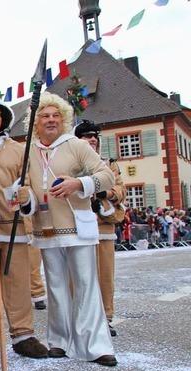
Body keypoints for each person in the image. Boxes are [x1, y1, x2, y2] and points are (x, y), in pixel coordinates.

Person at [24, 93, 116, 366]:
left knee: (87, 285)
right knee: (55, 287)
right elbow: (28, 189)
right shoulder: (27, 150)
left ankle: (96, 346)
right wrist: (25, 199)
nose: (51, 120)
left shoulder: (76, 145)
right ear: (35, 122)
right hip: (46, 229)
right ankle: (59, 341)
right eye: (44, 116)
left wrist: (78, 184)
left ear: (63, 120)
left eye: (56, 115)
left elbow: (106, 175)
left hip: (78, 226)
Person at [0, 96, 48, 359]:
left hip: (13, 225)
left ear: (3, 120)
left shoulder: (17, 150)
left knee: (17, 284)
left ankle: (23, 334)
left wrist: (24, 195)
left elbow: (29, 182)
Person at [74, 120, 126, 337]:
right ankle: (81, 318)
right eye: (87, 135)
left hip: (102, 227)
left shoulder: (109, 164)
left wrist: (105, 194)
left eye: (95, 135)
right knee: (79, 277)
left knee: (104, 276)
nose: (92, 139)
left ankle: (106, 318)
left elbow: (120, 188)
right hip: (76, 228)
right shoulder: (71, 164)